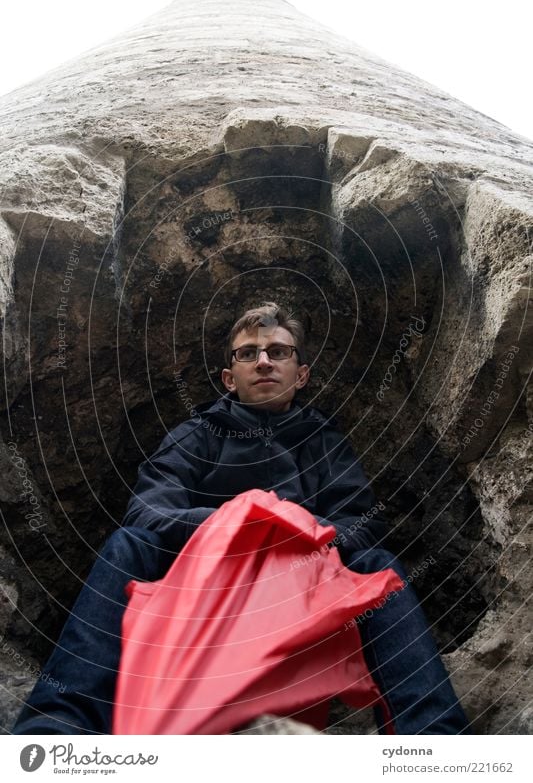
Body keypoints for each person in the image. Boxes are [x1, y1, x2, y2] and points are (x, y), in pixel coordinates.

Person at [12, 302, 471, 735]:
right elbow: (147, 508)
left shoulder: (324, 440)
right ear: (230, 378)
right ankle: (57, 726)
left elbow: (362, 519)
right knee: (129, 545)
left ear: (302, 372)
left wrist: (292, 532)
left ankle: (434, 738)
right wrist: (239, 524)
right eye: (249, 354)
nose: (264, 361)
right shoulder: (197, 434)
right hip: (202, 579)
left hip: (301, 579)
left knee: (377, 565)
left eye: (278, 352)